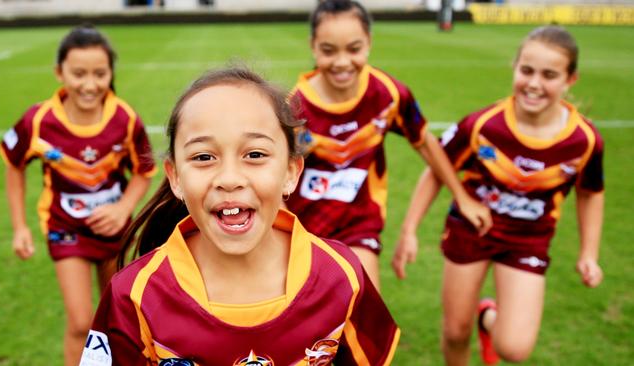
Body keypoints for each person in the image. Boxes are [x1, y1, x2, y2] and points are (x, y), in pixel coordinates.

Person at [79, 67, 401, 365]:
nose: (229, 178)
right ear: (175, 176)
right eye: (204, 157)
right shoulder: (133, 295)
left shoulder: (341, 275)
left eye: (255, 154)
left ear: (291, 171)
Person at [392, 25, 604, 365]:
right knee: (454, 332)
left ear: (571, 79)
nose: (534, 84)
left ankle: (486, 316)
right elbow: (437, 169)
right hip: (471, 231)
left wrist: (588, 253)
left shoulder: (585, 140)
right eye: (527, 70)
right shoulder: (482, 125)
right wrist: (410, 229)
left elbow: (591, 193)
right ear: (515, 67)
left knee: (514, 349)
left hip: (529, 240)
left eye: (549, 75)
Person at [285, 0, 490, 289]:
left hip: (359, 225)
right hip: (304, 229)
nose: (342, 62)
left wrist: (462, 196)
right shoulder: (293, 110)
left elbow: (426, 142)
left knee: (366, 313)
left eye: (354, 49)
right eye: (329, 51)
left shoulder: (389, 94)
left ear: (368, 42)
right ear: (313, 46)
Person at [0, 25, 156, 366]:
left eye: (100, 73)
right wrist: (20, 227)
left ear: (111, 72)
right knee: (82, 321)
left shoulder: (125, 119)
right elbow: (14, 165)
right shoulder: (38, 120)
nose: (90, 84)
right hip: (66, 229)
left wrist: (123, 208)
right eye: (78, 73)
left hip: (115, 231)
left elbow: (144, 170)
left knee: (119, 319)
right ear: (60, 73)